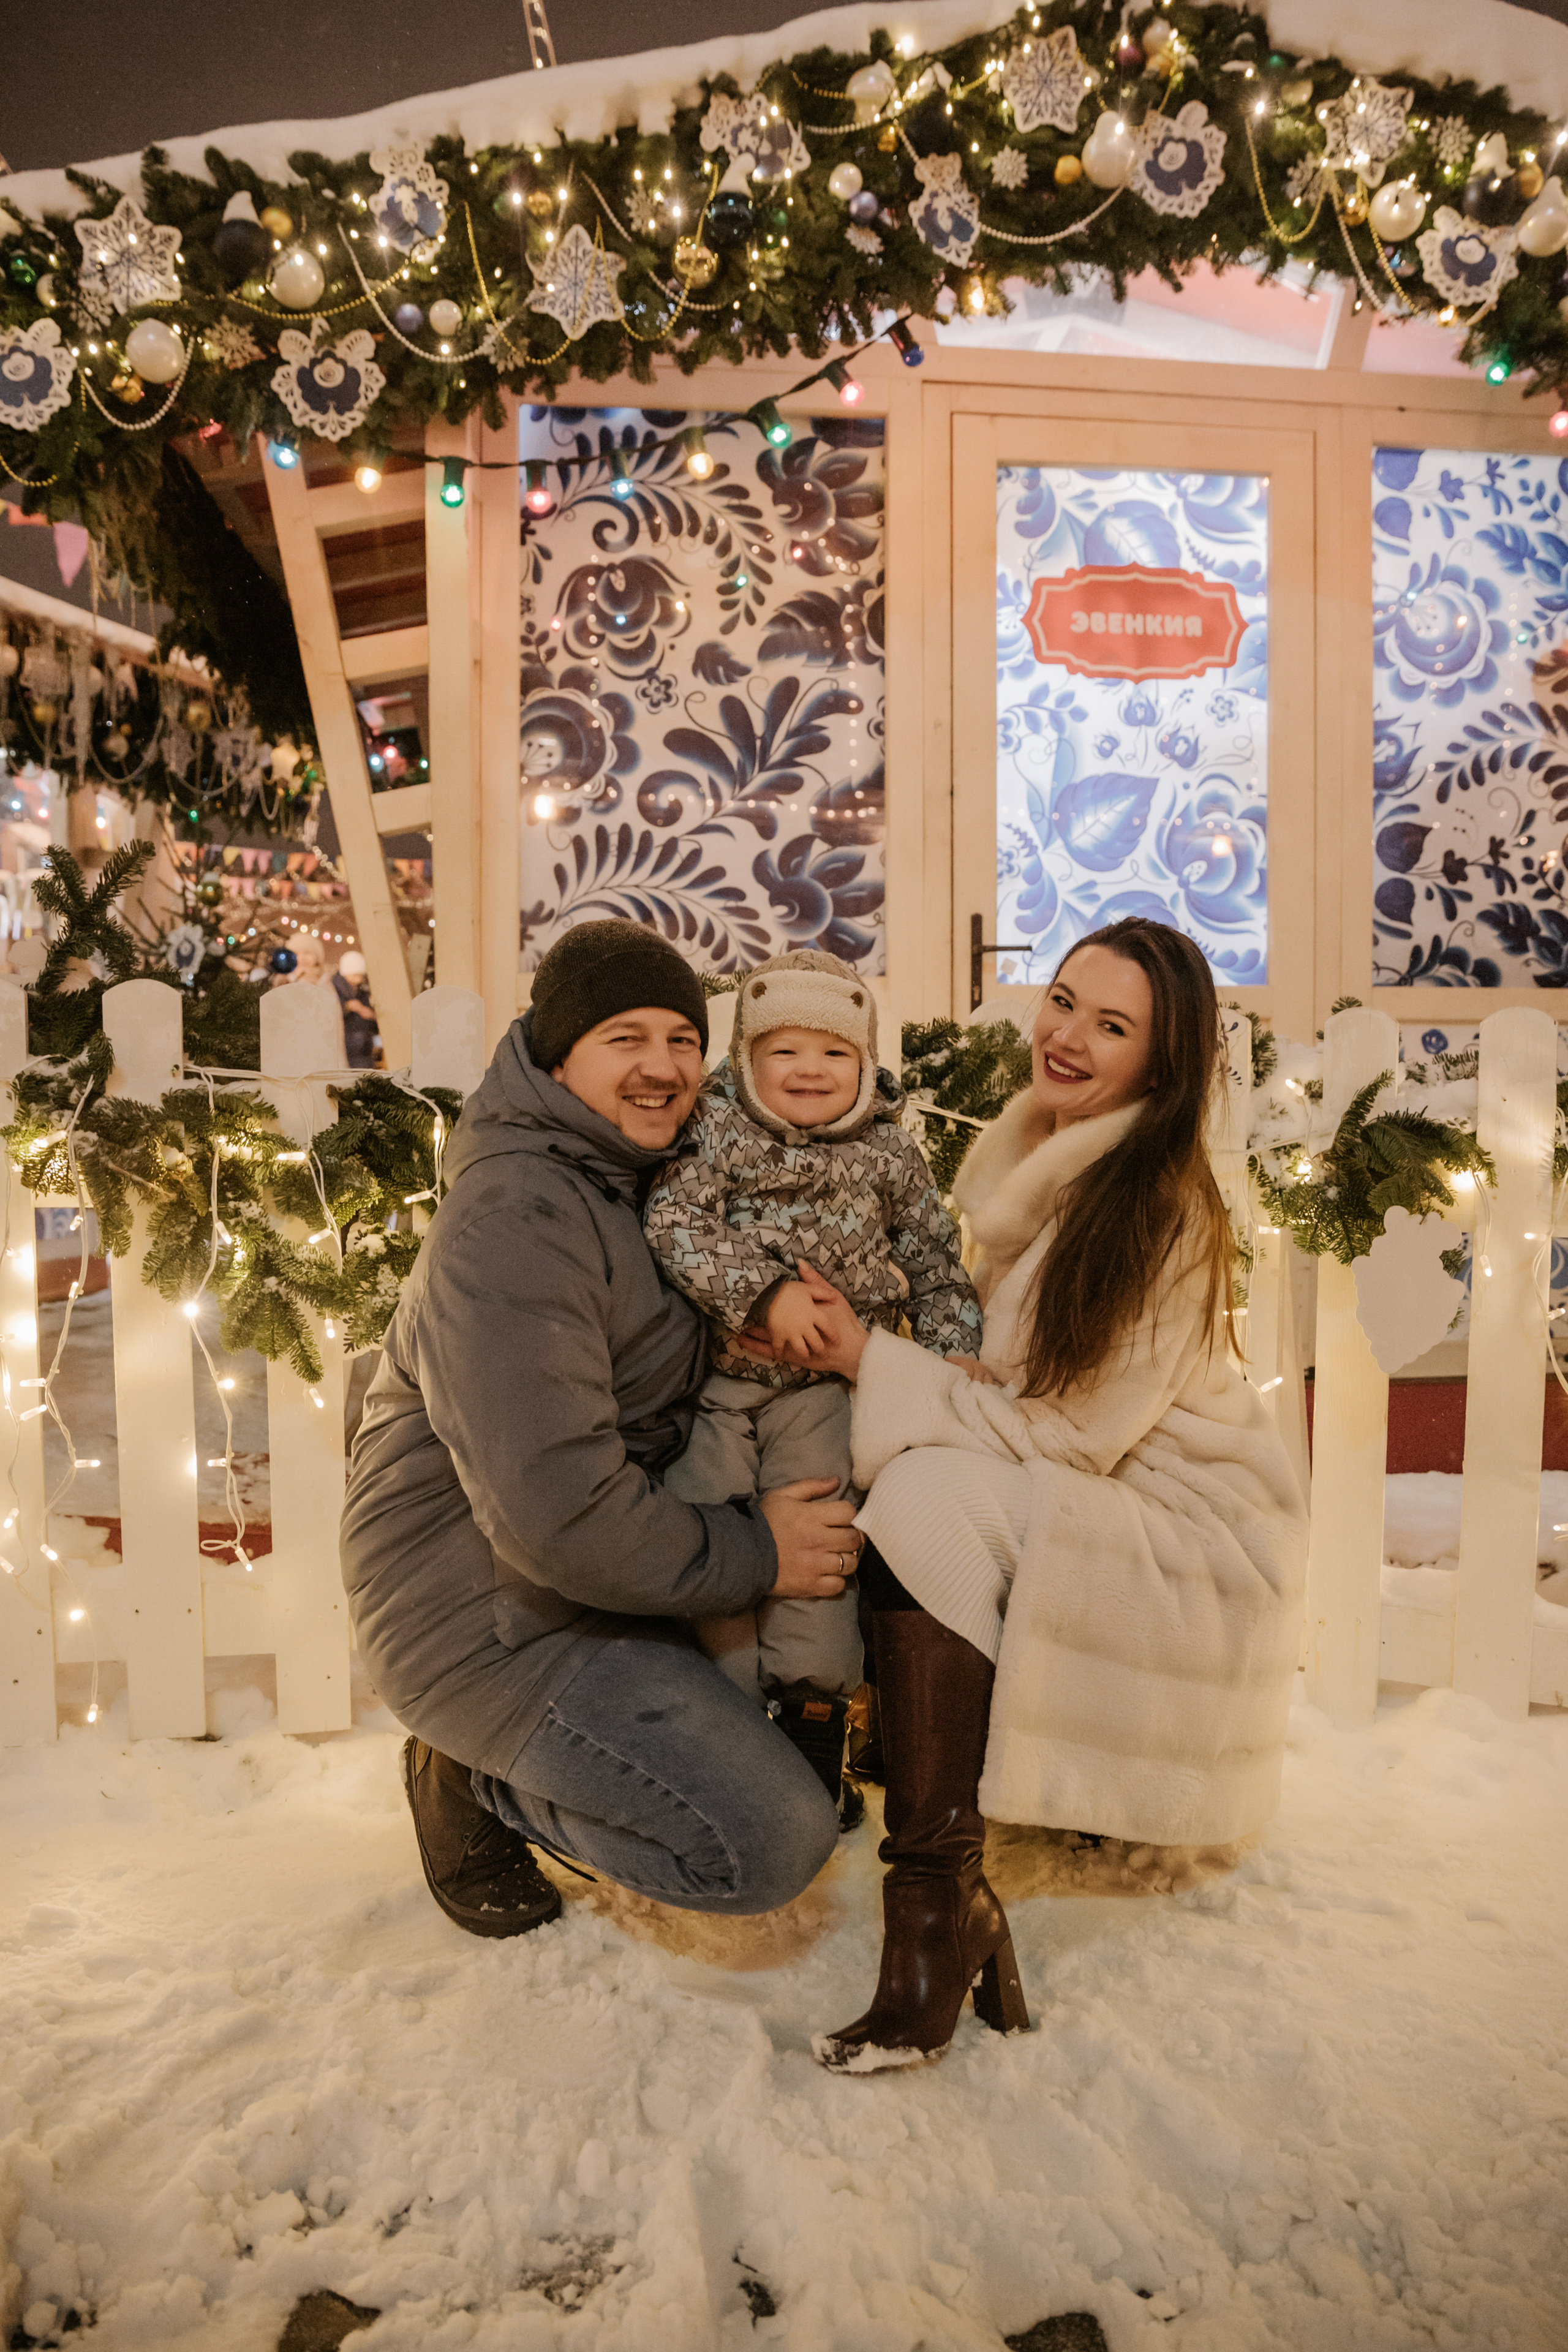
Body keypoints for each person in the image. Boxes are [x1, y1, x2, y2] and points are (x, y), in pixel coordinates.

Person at [746, 919, 1309, 2074]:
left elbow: (1078, 1434)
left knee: (927, 1496)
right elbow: (1023, 1381)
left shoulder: (1160, 1207)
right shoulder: (1039, 1155)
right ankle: (948, 1907)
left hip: (1186, 1518)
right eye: (1063, 1002)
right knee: (918, 1481)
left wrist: (870, 1362)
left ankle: (937, 1909)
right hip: (1098, 1466)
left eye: (1113, 1027)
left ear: (1163, 1063)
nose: (1067, 1037)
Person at [341, 919, 862, 1939]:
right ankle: (473, 1776)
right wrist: (760, 1553)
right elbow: (555, 1511)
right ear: (558, 1054)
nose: (663, 1067)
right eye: (626, 1038)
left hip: (602, 1573)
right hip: (487, 1610)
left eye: (681, 1038)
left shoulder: (643, 1173)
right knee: (764, 1842)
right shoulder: (517, 1215)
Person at [643, 949, 981, 1820]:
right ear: (746, 1062)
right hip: (718, 1382)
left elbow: (935, 1266)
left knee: (821, 1544)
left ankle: (812, 1719)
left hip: (823, 1394)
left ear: (865, 1065)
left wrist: (952, 1357)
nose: (809, 1072)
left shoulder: (892, 1156)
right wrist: (764, 1292)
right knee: (711, 1522)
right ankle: (720, 1716)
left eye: (834, 1054)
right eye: (784, 1052)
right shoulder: (715, 1133)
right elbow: (674, 1220)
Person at [332, 949, 378, 1068]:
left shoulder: (362, 992)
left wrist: (371, 1015)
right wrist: (347, 1007)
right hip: (347, 1046)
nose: (358, 980)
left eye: (360, 976)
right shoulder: (334, 989)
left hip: (364, 1047)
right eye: (355, 975)